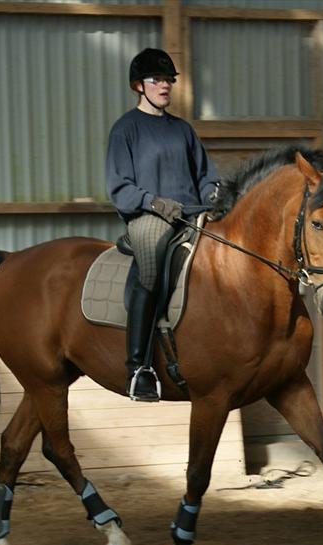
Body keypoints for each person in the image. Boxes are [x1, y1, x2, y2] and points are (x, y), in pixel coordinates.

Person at [105, 48, 219, 402]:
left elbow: (205, 175)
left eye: (169, 79)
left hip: (191, 214)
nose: (165, 85)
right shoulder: (125, 130)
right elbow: (119, 187)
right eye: (157, 79)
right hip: (149, 217)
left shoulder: (182, 130)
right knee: (151, 268)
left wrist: (213, 194)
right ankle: (138, 368)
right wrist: (153, 202)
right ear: (139, 85)